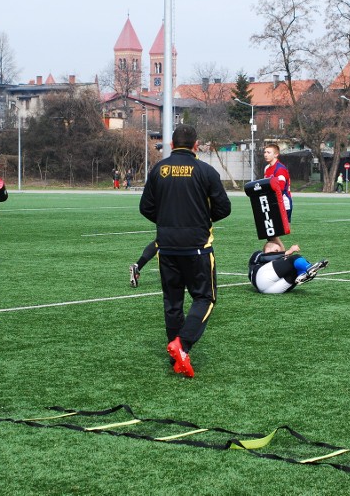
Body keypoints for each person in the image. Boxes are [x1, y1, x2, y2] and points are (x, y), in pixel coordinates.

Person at [139, 124, 232, 378]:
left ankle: (176, 357)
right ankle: (183, 344)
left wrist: (168, 221)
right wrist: (201, 218)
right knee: (205, 298)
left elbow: (145, 208)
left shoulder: (158, 170)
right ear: (196, 145)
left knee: (172, 303)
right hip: (197, 248)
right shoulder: (206, 171)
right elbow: (224, 208)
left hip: (167, 247)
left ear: (171, 145)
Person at [248, 239, 328, 294]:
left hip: (270, 290)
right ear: (268, 249)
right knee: (294, 258)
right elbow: (265, 257)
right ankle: (308, 269)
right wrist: (288, 252)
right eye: (277, 251)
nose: (278, 254)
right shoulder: (258, 254)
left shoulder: (274, 264)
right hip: (260, 277)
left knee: (295, 271)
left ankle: (305, 274)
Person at [263, 143, 292, 221]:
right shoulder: (267, 168)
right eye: (265, 152)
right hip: (272, 202)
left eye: (268, 152)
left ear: (276, 154)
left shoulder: (280, 169)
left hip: (283, 203)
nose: (265, 154)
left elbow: (280, 189)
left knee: (282, 230)